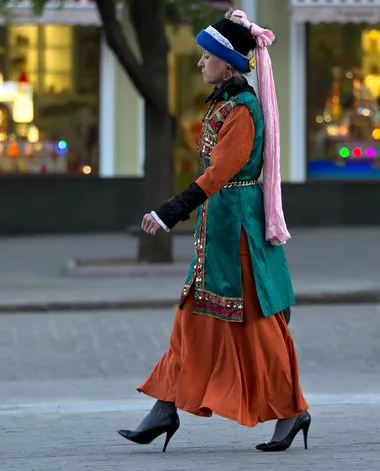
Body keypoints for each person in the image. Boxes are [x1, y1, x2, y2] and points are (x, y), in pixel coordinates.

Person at [117, 10, 309, 453]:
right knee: (191, 318)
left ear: (228, 63)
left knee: (260, 325)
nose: (200, 63)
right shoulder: (224, 103)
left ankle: (292, 411)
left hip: (237, 228)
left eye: (207, 57)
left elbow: (218, 174)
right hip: (218, 225)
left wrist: (168, 213)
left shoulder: (243, 110)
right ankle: (165, 408)